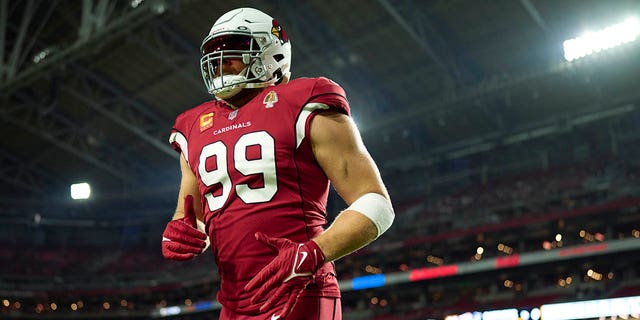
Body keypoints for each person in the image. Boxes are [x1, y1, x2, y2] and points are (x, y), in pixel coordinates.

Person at [160, 7, 394, 320]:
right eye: (214, 56)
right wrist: (180, 231)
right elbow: (190, 214)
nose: (220, 64)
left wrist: (312, 253)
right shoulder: (192, 126)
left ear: (272, 55)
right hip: (232, 303)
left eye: (231, 53)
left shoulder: (303, 101)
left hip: (300, 290)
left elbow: (376, 204)